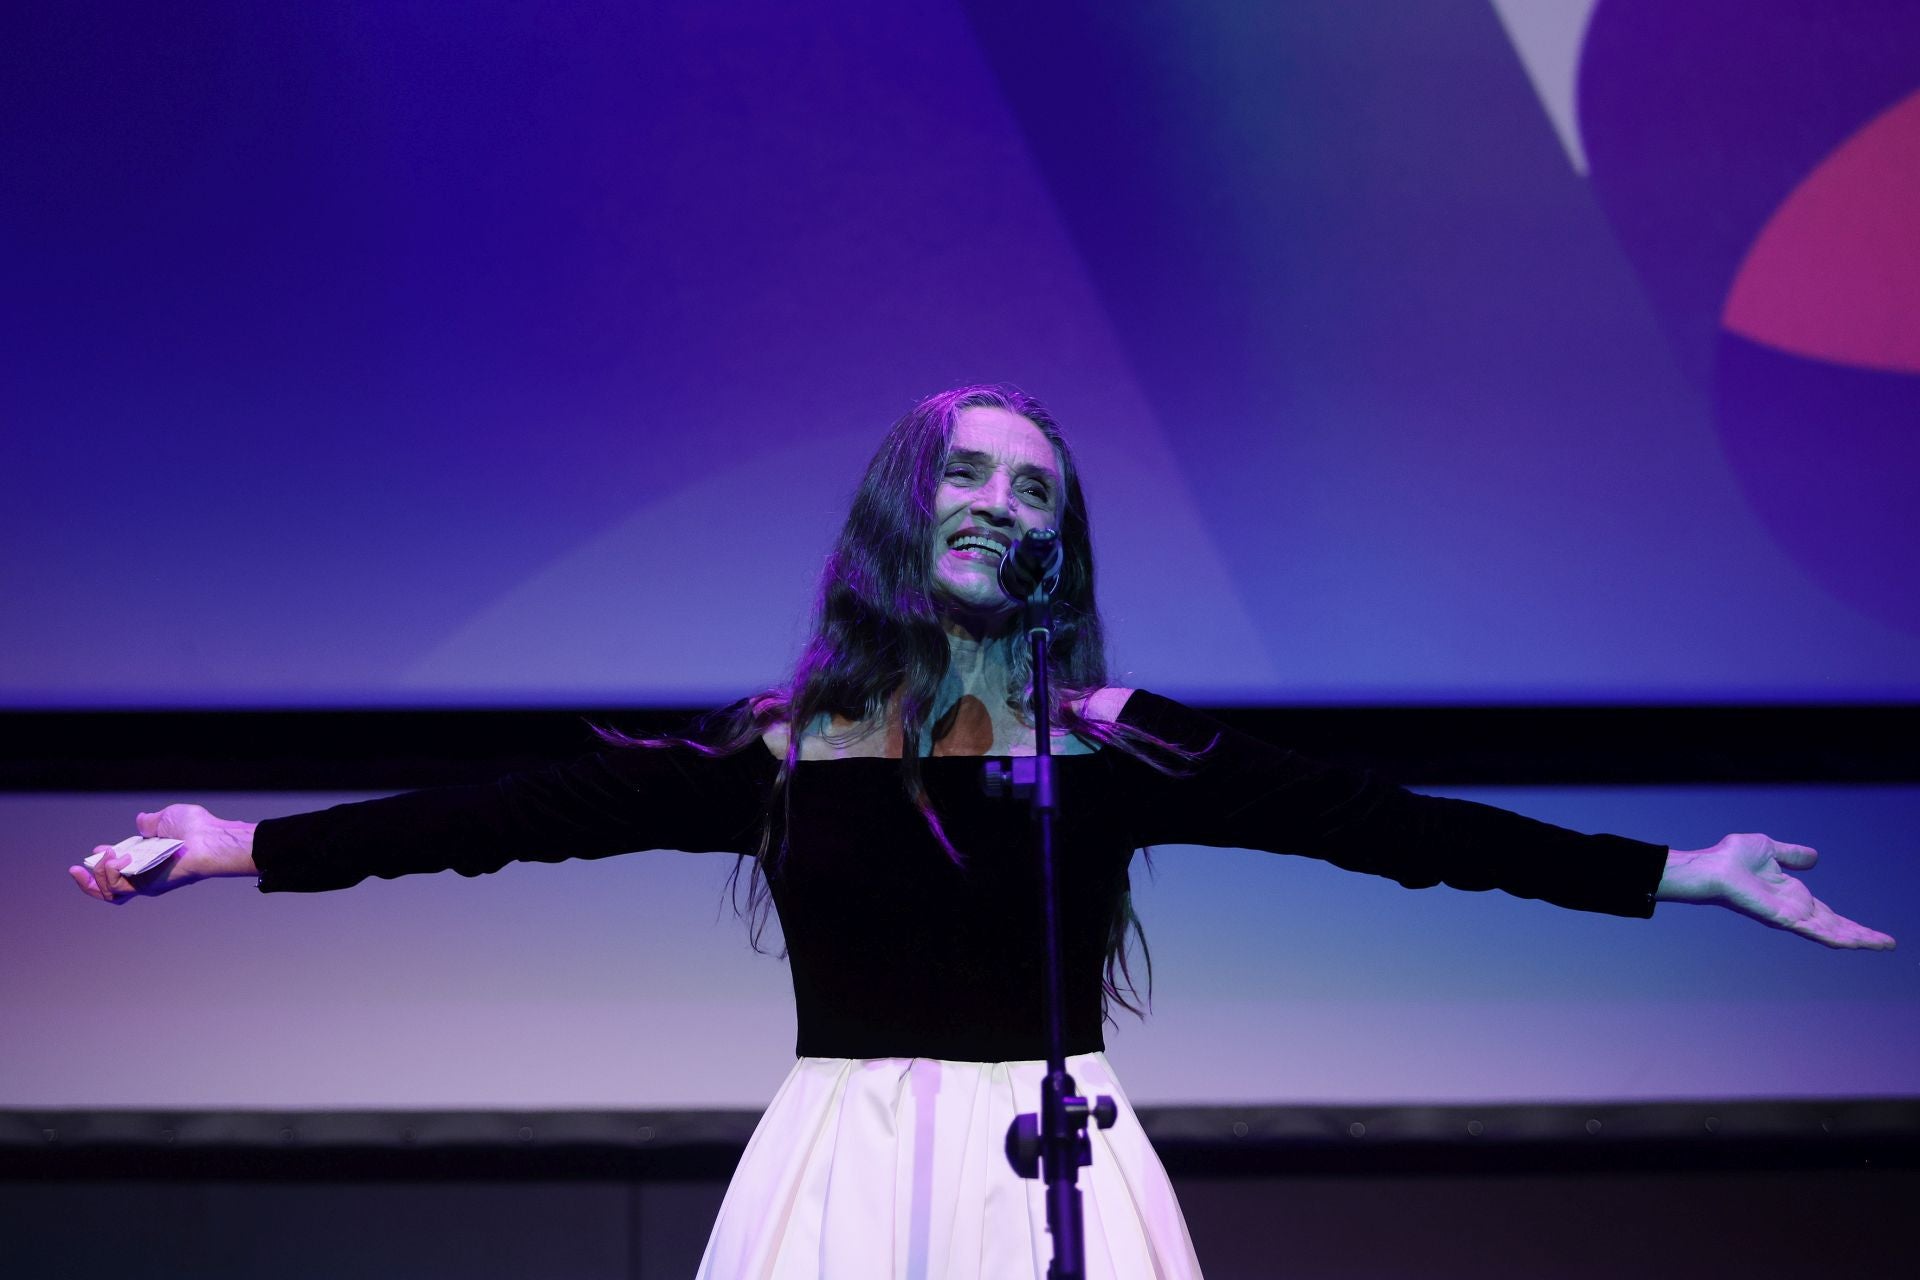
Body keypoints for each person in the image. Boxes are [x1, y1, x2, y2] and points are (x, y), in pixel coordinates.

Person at [71, 384, 1896, 1278]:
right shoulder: (781, 749)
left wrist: (1678, 874)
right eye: (970, 472)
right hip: (848, 1163)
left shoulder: (1114, 740)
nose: (999, 502)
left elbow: (1390, 831)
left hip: (1064, 1158)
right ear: (906, 507)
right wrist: (245, 845)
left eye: (1036, 489)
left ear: (1055, 547)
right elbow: (509, 821)